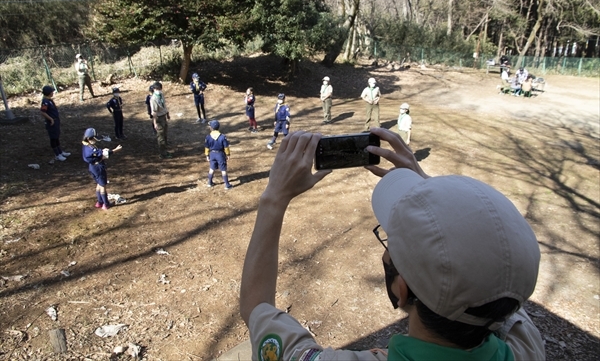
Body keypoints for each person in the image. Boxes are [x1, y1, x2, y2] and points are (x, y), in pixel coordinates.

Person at [240, 128, 545, 360]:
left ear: (402, 290)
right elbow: (498, 273)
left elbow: (256, 307)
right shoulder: (526, 345)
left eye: (391, 243)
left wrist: (274, 198)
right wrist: (427, 188)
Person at [81, 128, 123, 210]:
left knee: (99, 184)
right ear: (89, 139)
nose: (96, 141)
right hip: (98, 167)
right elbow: (104, 154)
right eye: (94, 139)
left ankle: (99, 202)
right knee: (103, 185)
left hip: (92, 167)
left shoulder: (86, 146)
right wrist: (115, 150)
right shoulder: (91, 150)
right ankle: (106, 204)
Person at [40, 85, 71, 162]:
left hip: (56, 120)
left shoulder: (49, 100)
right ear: (49, 93)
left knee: (56, 136)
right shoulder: (45, 102)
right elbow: (42, 112)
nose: (52, 93)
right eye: (51, 92)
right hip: (51, 122)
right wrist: (50, 119)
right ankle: (57, 154)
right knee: (53, 138)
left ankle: (60, 152)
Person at [205, 120, 233, 189]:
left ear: (211, 128)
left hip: (212, 154)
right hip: (220, 154)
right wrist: (228, 154)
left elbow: (206, 147)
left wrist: (207, 155)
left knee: (211, 168)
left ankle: (210, 182)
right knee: (223, 169)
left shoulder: (208, 137)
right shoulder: (222, 137)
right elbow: (226, 147)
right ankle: (227, 184)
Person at [149, 81, 172, 159]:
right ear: (154, 89)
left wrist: (167, 114)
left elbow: (164, 105)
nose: (159, 90)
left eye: (160, 88)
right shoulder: (153, 99)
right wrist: (155, 123)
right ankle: (162, 154)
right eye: (157, 88)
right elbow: (154, 112)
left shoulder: (161, 95)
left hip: (164, 116)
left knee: (165, 134)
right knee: (161, 136)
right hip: (158, 118)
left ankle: (165, 150)